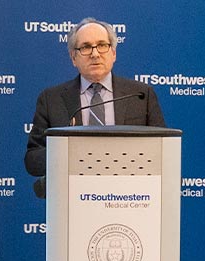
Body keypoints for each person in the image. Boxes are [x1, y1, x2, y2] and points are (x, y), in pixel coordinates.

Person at [24, 17, 166, 198]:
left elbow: (161, 151)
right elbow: (32, 160)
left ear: (113, 53)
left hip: (130, 198)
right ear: (73, 57)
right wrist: (67, 154)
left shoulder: (141, 95)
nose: (95, 54)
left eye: (102, 45)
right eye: (85, 47)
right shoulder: (51, 99)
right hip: (71, 199)